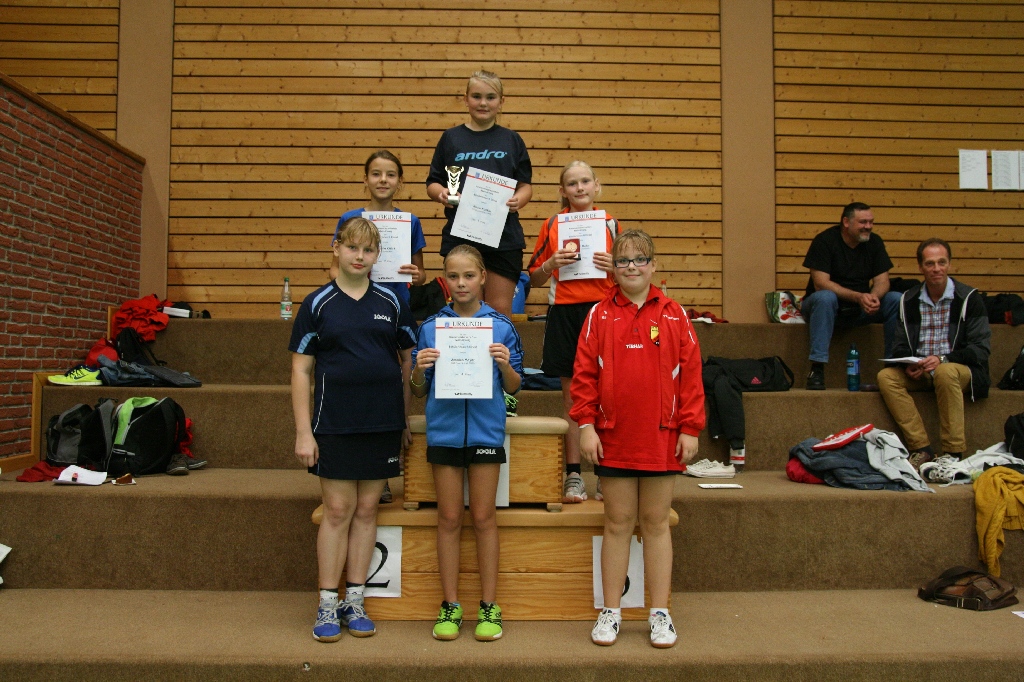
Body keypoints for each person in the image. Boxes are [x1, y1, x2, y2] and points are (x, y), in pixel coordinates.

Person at [570, 230, 705, 649]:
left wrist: (690, 427)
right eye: (623, 260)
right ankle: (610, 611)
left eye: (639, 259)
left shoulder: (675, 314)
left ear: (653, 265)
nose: (631, 267)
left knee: (656, 523)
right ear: (613, 268)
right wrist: (587, 425)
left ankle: (660, 613)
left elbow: (692, 373)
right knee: (616, 523)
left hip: (662, 437)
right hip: (613, 437)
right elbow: (584, 376)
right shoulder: (598, 315)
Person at [289, 217, 416, 642]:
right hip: (334, 424)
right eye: (352, 248)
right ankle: (328, 602)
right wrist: (304, 432)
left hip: (382, 423)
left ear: (378, 255)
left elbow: (407, 361)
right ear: (337, 248)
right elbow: (300, 370)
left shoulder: (391, 301)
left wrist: (402, 419)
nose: (360, 257)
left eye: (368, 250)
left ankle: (355, 600)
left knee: (367, 510)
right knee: (338, 511)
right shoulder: (317, 303)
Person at [410, 244, 524, 642]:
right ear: (445, 279)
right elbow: (418, 390)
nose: (461, 283)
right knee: (448, 519)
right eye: (454, 276)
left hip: (485, 433)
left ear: (483, 278)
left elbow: (515, 387)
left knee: (484, 518)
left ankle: (489, 605)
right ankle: (450, 604)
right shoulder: (431, 327)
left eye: (469, 276)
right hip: (444, 432)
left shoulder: (502, 326)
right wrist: (419, 370)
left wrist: (504, 365)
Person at [331, 149, 426, 504]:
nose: (383, 180)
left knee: (394, 378)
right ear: (365, 179)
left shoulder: (410, 221)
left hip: (395, 308)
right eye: (376, 173)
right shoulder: (349, 219)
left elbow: (421, 274)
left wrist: (416, 274)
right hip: (356, 309)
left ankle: (384, 469)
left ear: (400, 181)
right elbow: (334, 267)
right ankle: (361, 467)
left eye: (390, 174)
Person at [526, 160, 619, 503]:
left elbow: (630, 273)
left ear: (597, 186)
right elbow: (533, 278)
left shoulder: (611, 224)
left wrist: (615, 267)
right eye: (572, 183)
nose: (579, 188)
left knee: (607, 394)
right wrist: (551, 264)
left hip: (603, 312)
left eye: (585, 181)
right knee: (572, 397)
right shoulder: (552, 224)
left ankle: (607, 473)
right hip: (564, 313)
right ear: (562, 191)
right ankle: (574, 475)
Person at [876, 238, 991, 472]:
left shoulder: (969, 298)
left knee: (945, 371)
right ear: (921, 267)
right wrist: (909, 364)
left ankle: (953, 452)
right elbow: (899, 345)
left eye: (941, 262)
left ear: (949, 264)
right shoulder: (908, 299)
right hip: (923, 370)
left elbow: (981, 348)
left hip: (959, 370)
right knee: (886, 377)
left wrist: (943, 359)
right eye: (930, 263)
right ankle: (921, 448)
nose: (936, 268)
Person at [426, 70, 533, 317]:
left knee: (499, 311)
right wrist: (441, 193)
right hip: (461, 234)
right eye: (476, 96)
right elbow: (433, 182)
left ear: (501, 101)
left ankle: (499, 346)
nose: (483, 103)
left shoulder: (512, 139)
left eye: (490, 97)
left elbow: (525, 185)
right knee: (465, 310)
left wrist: (520, 199)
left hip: (503, 238)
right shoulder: (451, 138)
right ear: (466, 99)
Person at [800, 202, 901, 390]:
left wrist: (872, 297)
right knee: (825, 297)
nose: (868, 227)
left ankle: (892, 368)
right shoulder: (824, 241)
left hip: (859, 309)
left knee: (895, 299)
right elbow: (821, 283)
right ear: (846, 222)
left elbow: (883, 281)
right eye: (863, 222)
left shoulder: (875, 242)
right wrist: (858, 297)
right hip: (826, 308)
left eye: (871, 222)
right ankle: (817, 367)